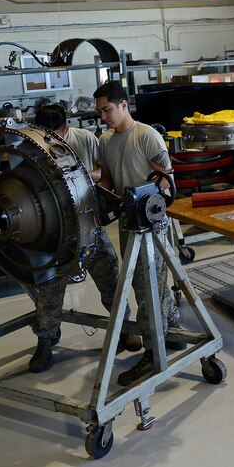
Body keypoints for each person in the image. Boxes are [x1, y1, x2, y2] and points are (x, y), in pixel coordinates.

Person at [26, 104, 142, 373]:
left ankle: (123, 328)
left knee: (110, 277)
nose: (47, 142)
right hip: (52, 231)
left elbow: (104, 174)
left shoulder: (85, 139)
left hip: (88, 222)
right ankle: (45, 340)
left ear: (65, 130)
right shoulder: (30, 146)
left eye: (53, 136)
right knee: (49, 287)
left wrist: (76, 181)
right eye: (42, 135)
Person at [94, 81, 182, 387]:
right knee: (142, 282)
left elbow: (167, 181)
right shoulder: (105, 140)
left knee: (149, 287)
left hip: (151, 223)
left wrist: (142, 199)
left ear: (123, 106)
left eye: (107, 109)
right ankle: (171, 330)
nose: (103, 116)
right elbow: (106, 179)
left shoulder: (146, 135)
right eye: (100, 111)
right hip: (126, 221)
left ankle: (152, 351)